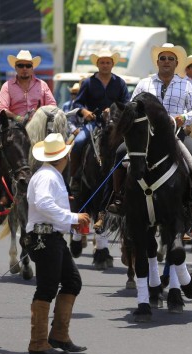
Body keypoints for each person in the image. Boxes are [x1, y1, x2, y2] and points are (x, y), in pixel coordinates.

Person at [107, 43, 192, 222]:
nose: (166, 62)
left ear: (176, 63)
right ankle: (118, 197)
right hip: (144, 135)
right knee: (120, 152)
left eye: (170, 59)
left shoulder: (185, 85)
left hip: (175, 134)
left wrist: (182, 118)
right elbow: (131, 107)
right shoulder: (144, 83)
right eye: (163, 58)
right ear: (157, 62)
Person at [24, 133, 90, 354]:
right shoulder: (49, 177)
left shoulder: (49, 175)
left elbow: (47, 207)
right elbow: (43, 204)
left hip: (51, 237)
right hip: (45, 238)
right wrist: (73, 218)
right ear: (63, 157)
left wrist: (72, 222)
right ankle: (38, 342)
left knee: (72, 281)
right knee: (48, 287)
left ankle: (58, 335)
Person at [70, 49, 130, 230]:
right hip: (94, 124)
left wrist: (113, 111)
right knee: (79, 142)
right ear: (97, 64)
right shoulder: (88, 82)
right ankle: (75, 178)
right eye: (102, 62)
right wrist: (85, 112)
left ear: (113, 64)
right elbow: (77, 103)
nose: (105, 65)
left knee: (128, 148)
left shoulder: (119, 83)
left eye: (108, 62)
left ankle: (127, 178)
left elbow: (126, 103)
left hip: (114, 126)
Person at [0, 50, 56, 122]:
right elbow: (1, 110)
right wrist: (18, 118)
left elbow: (52, 106)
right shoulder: (7, 86)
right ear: (15, 68)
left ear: (32, 68)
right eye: (21, 65)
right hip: (15, 127)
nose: (24, 68)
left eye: (28, 66)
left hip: (39, 126)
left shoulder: (43, 85)